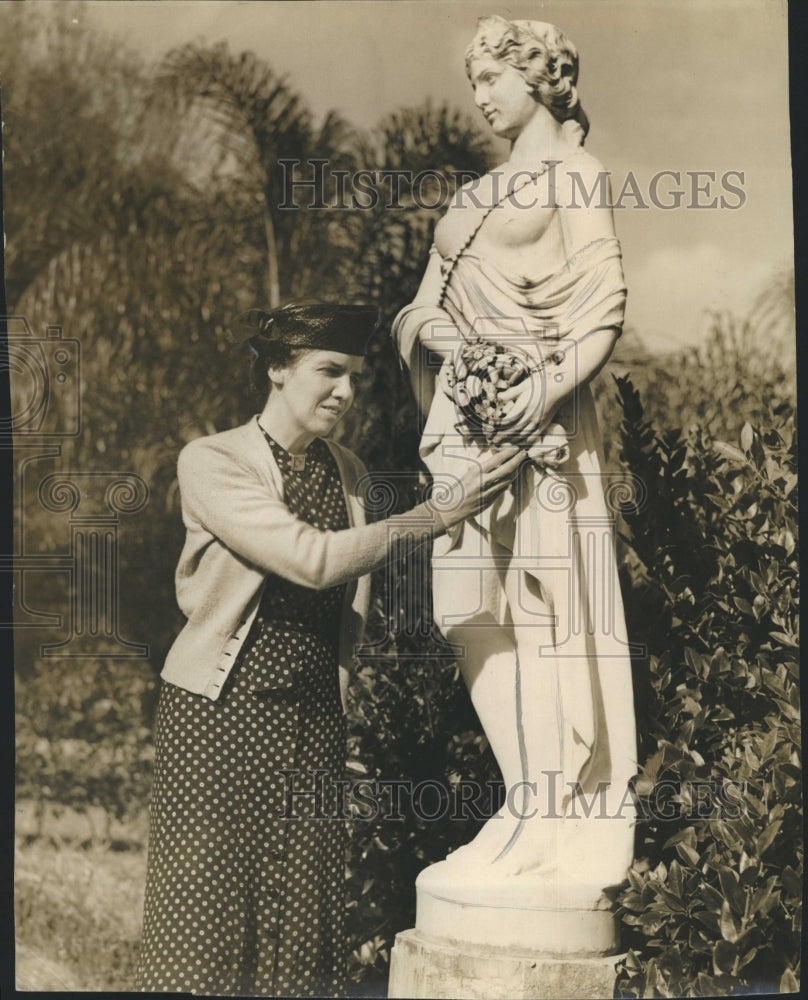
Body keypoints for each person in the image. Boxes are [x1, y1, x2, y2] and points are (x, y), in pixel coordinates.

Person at [134, 301, 524, 996]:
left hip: (312, 714)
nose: (345, 392)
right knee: (207, 912)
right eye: (329, 371)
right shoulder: (213, 461)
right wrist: (435, 514)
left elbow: (358, 574)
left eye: (355, 376)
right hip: (221, 714)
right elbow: (310, 559)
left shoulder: (345, 469)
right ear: (279, 370)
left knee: (303, 911)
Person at [393, 17, 637, 892]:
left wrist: (541, 388)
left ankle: (551, 812)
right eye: (474, 83)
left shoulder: (577, 176)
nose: (481, 96)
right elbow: (415, 312)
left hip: (545, 430)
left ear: (541, 77)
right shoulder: (472, 200)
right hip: (466, 426)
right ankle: (525, 795)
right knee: (463, 609)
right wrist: (446, 340)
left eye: (494, 78)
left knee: (541, 610)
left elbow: (604, 303)